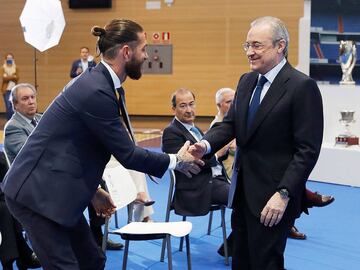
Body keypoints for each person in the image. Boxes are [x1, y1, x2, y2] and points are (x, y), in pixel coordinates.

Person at [1, 19, 202, 270]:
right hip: (35, 195)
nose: (147, 55)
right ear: (126, 52)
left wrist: (94, 190)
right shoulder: (96, 89)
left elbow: (73, 146)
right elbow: (128, 154)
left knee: (92, 261)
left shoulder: (102, 83)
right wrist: (177, 161)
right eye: (143, 49)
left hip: (58, 188)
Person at [190, 16, 324, 270]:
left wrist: (284, 193)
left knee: (266, 263)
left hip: (274, 198)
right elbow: (230, 125)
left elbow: (307, 150)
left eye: (257, 45)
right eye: (247, 45)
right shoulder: (246, 80)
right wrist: (205, 145)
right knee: (241, 261)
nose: (250, 52)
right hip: (241, 194)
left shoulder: (301, 86)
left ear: (280, 46)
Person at [212, 87, 334, 241]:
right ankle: (304, 203)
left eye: (234, 100)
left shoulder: (242, 120)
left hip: (251, 166)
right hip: (233, 171)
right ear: (219, 105)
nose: (234, 104)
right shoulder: (218, 125)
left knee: (284, 174)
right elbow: (219, 152)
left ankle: (292, 215)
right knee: (280, 182)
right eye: (229, 102)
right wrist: (234, 142)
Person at [162, 88, 233, 257]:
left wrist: (213, 156)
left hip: (217, 180)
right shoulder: (171, 132)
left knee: (254, 191)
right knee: (245, 199)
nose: (189, 110)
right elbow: (191, 162)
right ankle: (235, 245)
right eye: (183, 105)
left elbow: (202, 158)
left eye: (191, 104)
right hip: (198, 186)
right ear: (174, 109)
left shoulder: (194, 129)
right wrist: (217, 153)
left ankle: (236, 244)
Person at [1, 53, 18, 119]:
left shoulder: (16, 68)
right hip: (6, 90)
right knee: (8, 106)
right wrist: (13, 76)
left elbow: (17, 78)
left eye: (10, 58)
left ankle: (13, 121)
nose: (9, 59)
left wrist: (8, 76)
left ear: (13, 59)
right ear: (5, 59)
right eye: (8, 58)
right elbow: (4, 78)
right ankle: (9, 121)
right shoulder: (3, 68)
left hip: (14, 89)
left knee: (13, 106)